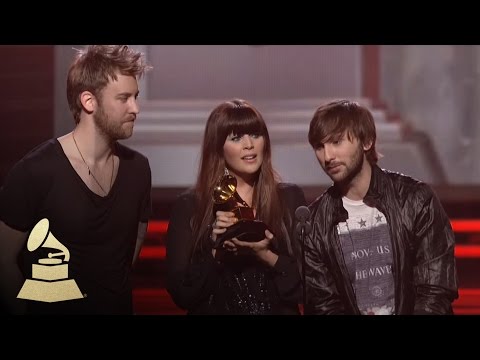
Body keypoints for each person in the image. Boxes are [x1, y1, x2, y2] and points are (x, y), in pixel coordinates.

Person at [0, 45, 152, 314]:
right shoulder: (36, 171)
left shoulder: (138, 169)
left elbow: (126, 261)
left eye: (136, 97)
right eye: (124, 98)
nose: (135, 108)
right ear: (88, 101)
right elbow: (2, 261)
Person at [304, 99, 458, 315]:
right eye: (320, 146)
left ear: (366, 142)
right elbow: (325, 305)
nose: (328, 156)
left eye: (337, 142)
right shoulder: (315, 222)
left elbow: (435, 289)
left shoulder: (416, 200)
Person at [166, 98, 306, 314]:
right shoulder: (191, 207)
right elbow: (183, 294)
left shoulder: (288, 198)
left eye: (255, 135)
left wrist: (267, 256)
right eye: (237, 137)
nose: (249, 144)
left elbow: (307, 286)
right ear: (218, 147)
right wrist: (215, 249)